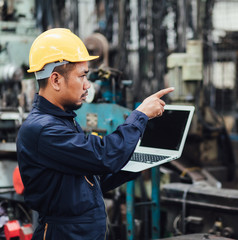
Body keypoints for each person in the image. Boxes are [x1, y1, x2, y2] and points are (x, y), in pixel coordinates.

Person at [16, 28, 174, 239]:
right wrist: (139, 116)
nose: (87, 85)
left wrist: (133, 165)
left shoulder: (64, 121)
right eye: (82, 76)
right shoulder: (43, 129)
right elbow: (101, 156)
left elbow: (88, 180)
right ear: (55, 80)